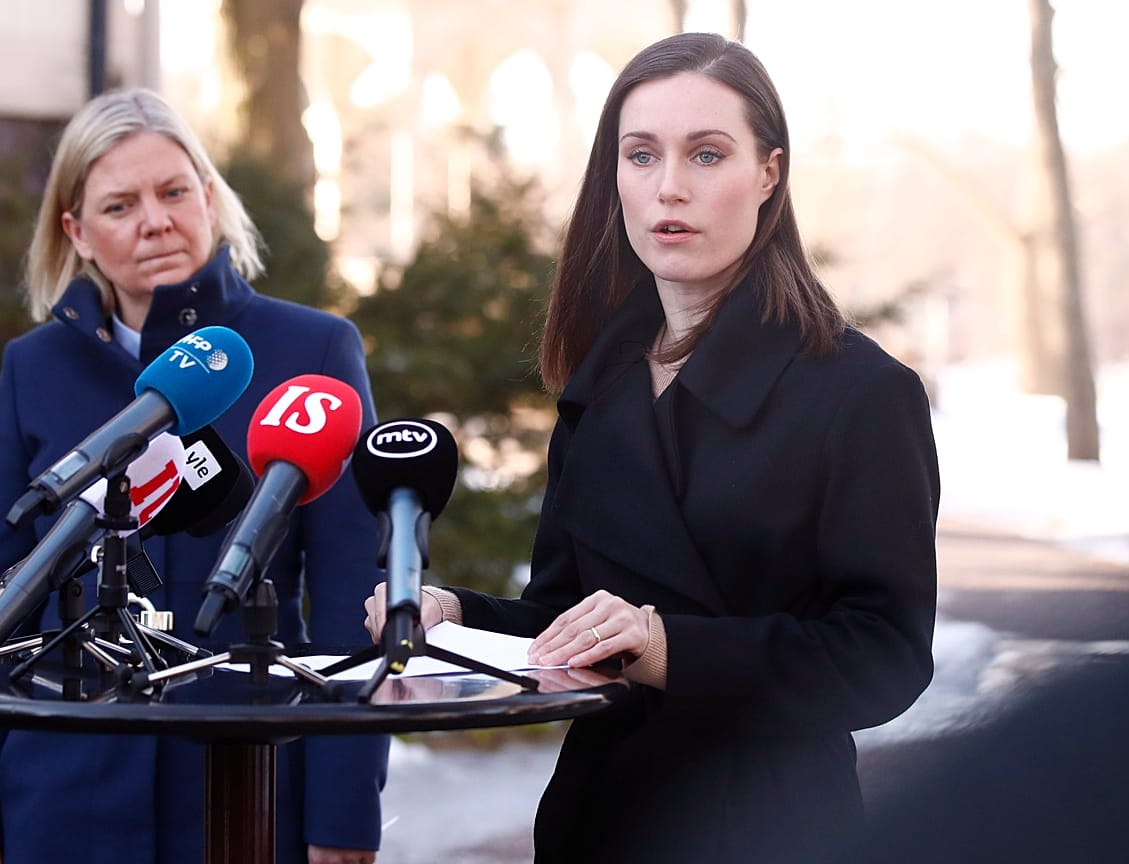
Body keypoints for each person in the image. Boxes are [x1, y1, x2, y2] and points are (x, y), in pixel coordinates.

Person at [364, 33, 938, 864]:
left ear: (770, 173)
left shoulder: (858, 391)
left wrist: (671, 648)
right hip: (605, 820)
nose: (669, 187)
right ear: (615, 178)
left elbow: (883, 656)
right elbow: (565, 619)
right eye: (641, 155)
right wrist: (454, 616)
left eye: (707, 154)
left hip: (772, 827)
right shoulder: (603, 387)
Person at [0, 88, 388, 864]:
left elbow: (353, 593)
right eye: (120, 206)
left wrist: (343, 812)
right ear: (75, 233)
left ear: (209, 198)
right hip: (60, 792)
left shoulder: (314, 350)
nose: (155, 220)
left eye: (174, 191)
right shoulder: (33, 369)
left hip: (244, 786)